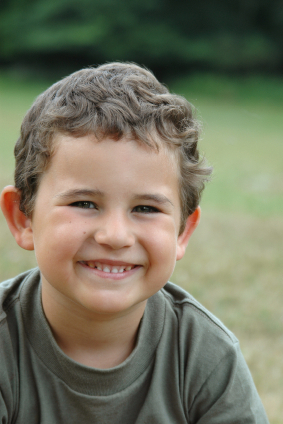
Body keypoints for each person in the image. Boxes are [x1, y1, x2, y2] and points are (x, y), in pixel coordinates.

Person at [0, 62, 269, 423]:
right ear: (23, 218)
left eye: (145, 208)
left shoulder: (206, 357)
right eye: (84, 203)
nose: (115, 236)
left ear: (182, 232)